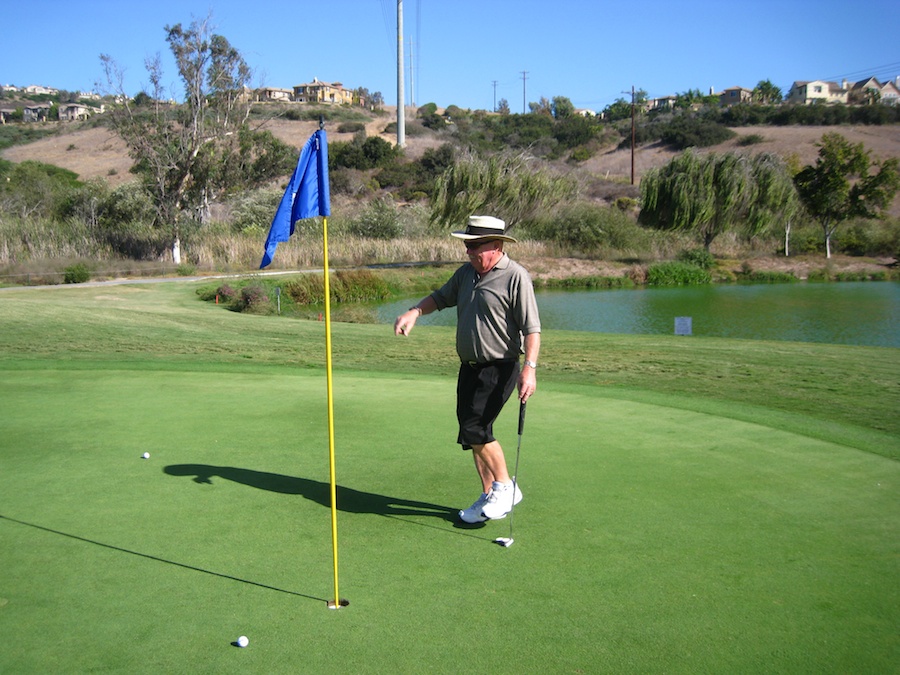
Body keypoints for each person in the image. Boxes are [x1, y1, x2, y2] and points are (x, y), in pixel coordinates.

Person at [394, 215, 541, 523]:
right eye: (467, 246)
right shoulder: (466, 275)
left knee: (477, 429)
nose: (469, 252)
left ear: (497, 246)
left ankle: (506, 487)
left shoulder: (516, 277)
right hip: (469, 367)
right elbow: (440, 297)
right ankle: (490, 497)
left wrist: (530, 368)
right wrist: (415, 311)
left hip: (499, 366)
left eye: (476, 247)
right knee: (471, 435)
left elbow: (532, 329)